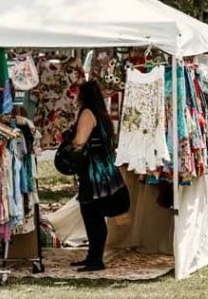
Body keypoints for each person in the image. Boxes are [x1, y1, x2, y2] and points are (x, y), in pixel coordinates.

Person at [70, 81, 127, 272]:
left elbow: (80, 140)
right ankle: (93, 256)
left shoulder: (88, 113)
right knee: (95, 215)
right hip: (104, 170)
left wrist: (70, 145)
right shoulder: (102, 114)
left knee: (92, 213)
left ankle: (95, 259)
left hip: (93, 172)